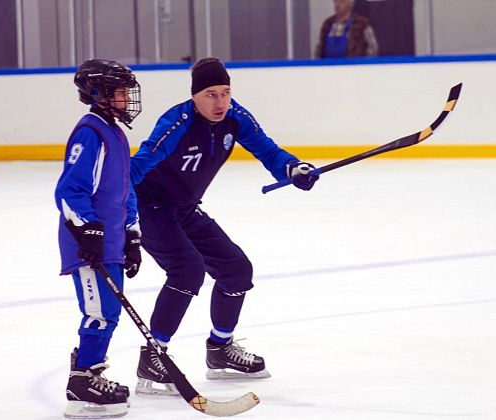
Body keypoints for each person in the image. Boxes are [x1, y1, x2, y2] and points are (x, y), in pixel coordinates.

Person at [130, 57, 320, 395]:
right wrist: (114, 211)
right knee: (187, 270)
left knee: (236, 269)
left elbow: (267, 150)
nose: (220, 103)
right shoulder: (176, 123)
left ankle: (220, 350)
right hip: (152, 206)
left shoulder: (236, 118)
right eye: (210, 94)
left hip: (186, 208)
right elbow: (138, 165)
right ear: (195, 96)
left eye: (225, 93)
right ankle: (153, 356)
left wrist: (293, 168)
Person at [54, 58, 143, 418]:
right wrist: (87, 229)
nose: (127, 98)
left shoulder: (116, 133)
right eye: (120, 92)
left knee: (110, 312)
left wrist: (132, 234)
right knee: (99, 313)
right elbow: (69, 190)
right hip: (87, 245)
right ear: (98, 93)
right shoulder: (90, 132)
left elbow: (124, 190)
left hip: (110, 244)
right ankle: (82, 382)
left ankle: (91, 369)